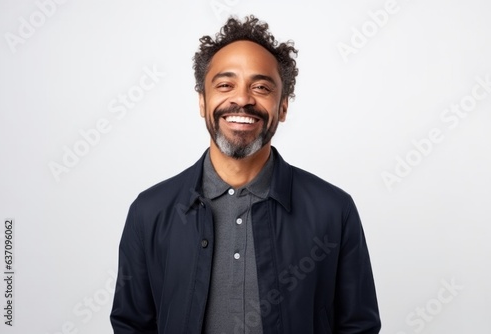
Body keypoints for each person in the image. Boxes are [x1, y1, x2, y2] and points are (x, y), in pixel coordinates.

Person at [110, 15, 381, 334]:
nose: (242, 99)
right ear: (202, 101)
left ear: (282, 107)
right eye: (225, 85)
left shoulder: (334, 211)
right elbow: (132, 325)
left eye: (261, 87)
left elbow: (358, 327)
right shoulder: (150, 212)